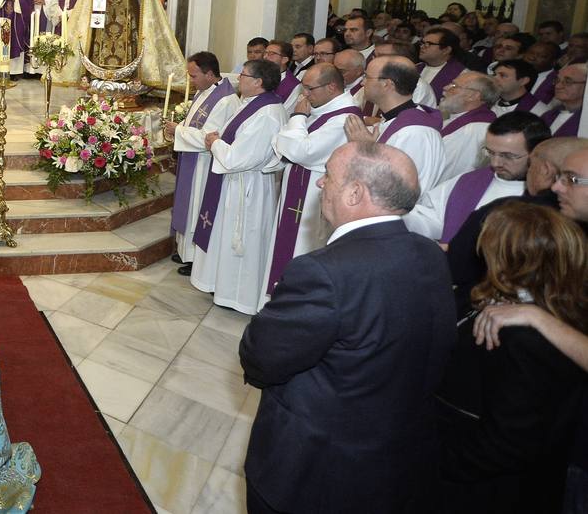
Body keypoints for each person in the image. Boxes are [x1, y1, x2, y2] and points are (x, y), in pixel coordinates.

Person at [241, 141, 454, 514]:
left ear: (355, 193)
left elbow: (261, 357)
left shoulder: (323, 272)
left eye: (328, 176)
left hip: (313, 469)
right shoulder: (429, 252)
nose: (320, 185)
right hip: (393, 461)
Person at [436, 203, 588, 513]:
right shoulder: (491, 299)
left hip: (477, 492)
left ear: (512, 261)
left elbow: (508, 444)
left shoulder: (530, 340)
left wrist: (433, 465)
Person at [189, 59, 286, 315]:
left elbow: (237, 158)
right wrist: (216, 139)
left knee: (241, 240)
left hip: (247, 186)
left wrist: (214, 143)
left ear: (258, 82)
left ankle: (237, 295)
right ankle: (221, 285)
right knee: (223, 234)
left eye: (243, 75)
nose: (237, 79)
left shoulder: (267, 113)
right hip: (234, 182)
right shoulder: (252, 104)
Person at [446, 131, 570, 313]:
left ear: (545, 169)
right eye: (491, 153)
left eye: (530, 165)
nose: (495, 163)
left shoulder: (509, 212)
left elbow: (457, 268)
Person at [264, 63, 361, 296]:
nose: (304, 95)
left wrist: (297, 117)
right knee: (287, 246)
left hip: (314, 192)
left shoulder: (344, 118)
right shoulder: (323, 108)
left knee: (303, 249)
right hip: (300, 183)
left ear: (331, 86)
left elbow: (300, 151)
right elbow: (284, 143)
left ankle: (291, 310)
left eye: (309, 89)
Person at [407, 111, 548, 243]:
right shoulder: (468, 181)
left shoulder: (549, 198)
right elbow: (432, 218)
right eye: (490, 152)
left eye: (507, 156)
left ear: (537, 153)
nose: (495, 163)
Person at [164, 51, 237, 272]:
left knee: (198, 208)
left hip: (205, 164)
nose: (191, 80)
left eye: (194, 76)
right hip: (193, 160)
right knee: (190, 206)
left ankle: (196, 259)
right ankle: (186, 251)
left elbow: (208, 136)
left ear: (210, 73)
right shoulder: (204, 92)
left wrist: (178, 130)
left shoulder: (225, 100)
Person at [345, 55, 445, 194]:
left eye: (367, 77)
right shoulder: (396, 121)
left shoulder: (413, 133)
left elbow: (396, 189)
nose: (362, 83)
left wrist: (366, 149)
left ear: (387, 83)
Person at [436, 71, 499, 182]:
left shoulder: (476, 130)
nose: (446, 87)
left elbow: (447, 169)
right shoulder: (453, 116)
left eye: (455, 86)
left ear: (473, 96)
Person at [21, 0, 53, 78]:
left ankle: (42, 71)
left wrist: (45, 1)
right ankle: (30, 69)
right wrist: (31, 1)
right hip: (32, 18)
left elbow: (55, 2)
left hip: (46, 17)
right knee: (31, 40)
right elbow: (23, 0)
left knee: (44, 40)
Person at [540, 62, 586, 137]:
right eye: (557, 80)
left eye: (568, 81)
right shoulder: (548, 116)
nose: (558, 86)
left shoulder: (585, 120)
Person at [525, 40, 560, 104]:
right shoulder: (515, 72)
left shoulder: (557, 80)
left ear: (554, 62)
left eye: (541, 56)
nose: (532, 58)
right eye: (530, 53)